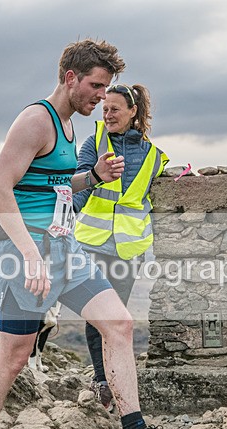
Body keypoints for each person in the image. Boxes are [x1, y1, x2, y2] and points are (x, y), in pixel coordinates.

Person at [0, 39, 197, 429]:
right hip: (22, 254)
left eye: (106, 87)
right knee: (13, 356)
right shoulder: (37, 120)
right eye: (95, 85)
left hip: (66, 251)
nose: (100, 96)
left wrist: (91, 177)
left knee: (119, 324)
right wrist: (30, 257)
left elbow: (48, 181)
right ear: (70, 78)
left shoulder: (71, 127)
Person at [71, 83, 169, 411]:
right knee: (97, 316)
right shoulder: (94, 142)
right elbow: (79, 184)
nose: (108, 115)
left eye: (115, 109)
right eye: (104, 109)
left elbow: (155, 200)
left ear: (133, 112)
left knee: (117, 318)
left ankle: (113, 381)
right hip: (92, 244)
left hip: (128, 250)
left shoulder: (154, 157)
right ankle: (102, 382)